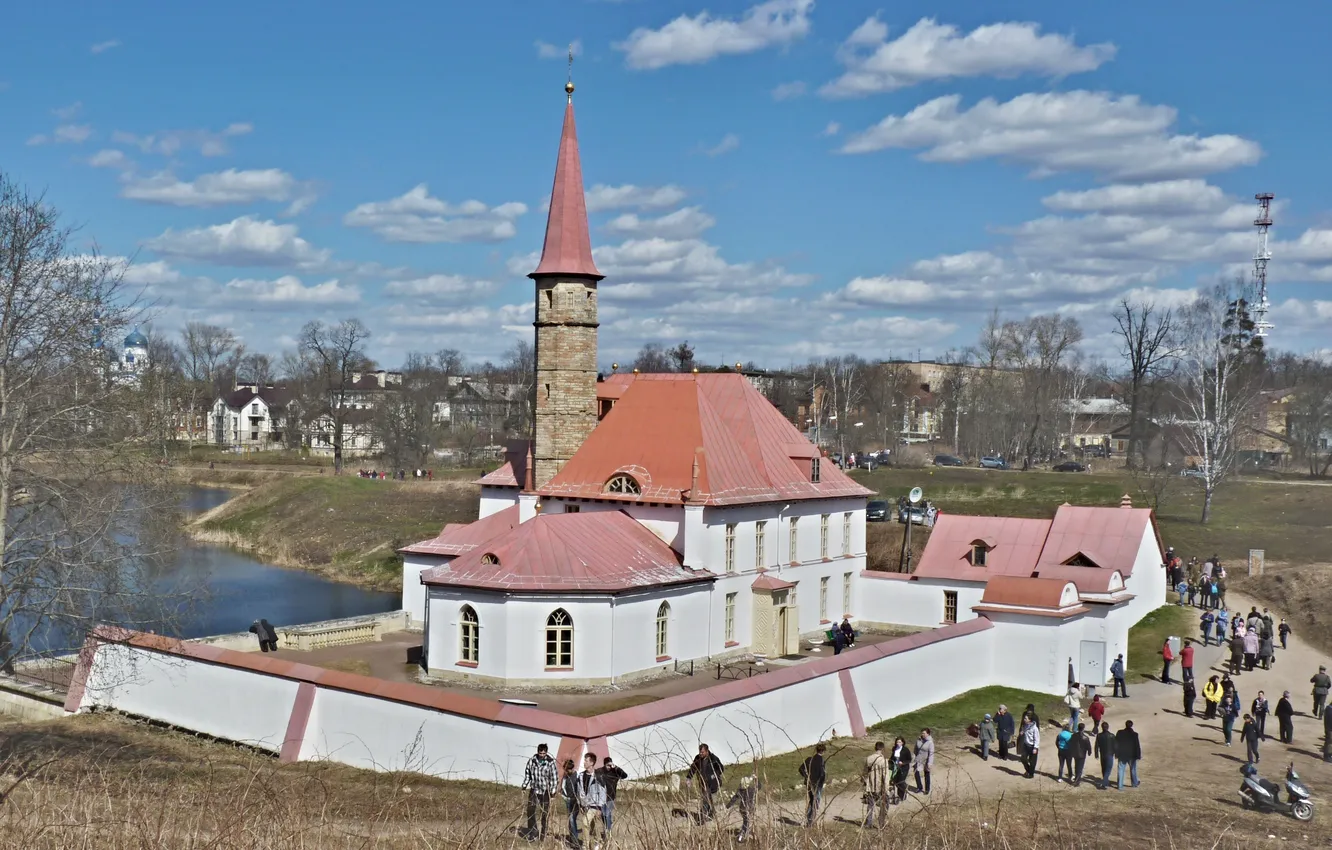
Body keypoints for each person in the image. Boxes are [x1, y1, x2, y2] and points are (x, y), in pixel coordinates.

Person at [520, 743, 558, 842]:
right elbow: (528, 774)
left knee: (545, 813)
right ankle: (533, 832)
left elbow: (554, 779)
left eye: (544, 753)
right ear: (538, 752)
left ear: (546, 752)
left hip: (545, 791)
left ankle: (543, 834)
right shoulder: (532, 761)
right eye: (540, 753)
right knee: (530, 811)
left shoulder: (550, 762)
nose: (542, 755)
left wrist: (553, 793)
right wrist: (524, 786)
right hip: (534, 789)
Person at [575, 753, 607, 847]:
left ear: (592, 763)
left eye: (586, 760)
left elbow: (602, 792)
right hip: (585, 805)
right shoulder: (581, 776)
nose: (584, 762)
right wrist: (580, 805)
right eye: (584, 760)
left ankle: (585, 846)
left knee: (585, 823)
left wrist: (599, 807)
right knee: (592, 826)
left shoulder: (598, 776)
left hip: (594, 805)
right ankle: (599, 842)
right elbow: (579, 791)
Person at [685, 744, 724, 822]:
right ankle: (703, 817)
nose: (701, 754)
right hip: (703, 783)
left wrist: (715, 775)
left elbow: (721, 768)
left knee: (712, 800)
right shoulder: (698, 758)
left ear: (707, 751)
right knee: (705, 799)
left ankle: (711, 814)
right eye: (700, 752)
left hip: (713, 783)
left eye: (702, 752)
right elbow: (693, 768)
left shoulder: (713, 759)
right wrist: (689, 778)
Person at [861, 742, 891, 828]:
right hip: (880, 786)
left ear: (875, 748)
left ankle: (868, 823)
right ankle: (881, 823)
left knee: (870, 805)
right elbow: (885, 776)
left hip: (870, 785)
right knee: (884, 805)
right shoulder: (884, 761)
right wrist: (886, 788)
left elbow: (864, 772)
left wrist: (864, 782)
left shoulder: (869, 758)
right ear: (882, 749)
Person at [597, 756, 628, 835]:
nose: (609, 767)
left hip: (611, 796)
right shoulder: (600, 771)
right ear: (604, 765)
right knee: (604, 814)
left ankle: (608, 831)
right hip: (602, 797)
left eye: (610, 765)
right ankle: (607, 827)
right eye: (607, 765)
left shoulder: (615, 772)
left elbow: (625, 775)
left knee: (607, 813)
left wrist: (616, 767)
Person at [725, 775, 759, 842]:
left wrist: (728, 806)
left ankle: (748, 832)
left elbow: (734, 799)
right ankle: (740, 837)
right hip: (749, 809)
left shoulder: (740, 791)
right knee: (746, 823)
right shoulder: (752, 790)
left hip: (742, 809)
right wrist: (756, 779)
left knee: (746, 821)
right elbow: (759, 786)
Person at [799, 743, 826, 827]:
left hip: (809, 784)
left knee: (811, 801)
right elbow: (822, 774)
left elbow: (801, 769)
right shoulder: (821, 761)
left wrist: (806, 777)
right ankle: (810, 821)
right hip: (817, 785)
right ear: (823, 751)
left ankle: (808, 819)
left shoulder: (809, 759)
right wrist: (821, 783)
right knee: (815, 802)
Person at [559, 759, 580, 847]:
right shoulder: (565, 776)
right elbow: (562, 787)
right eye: (566, 770)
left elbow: (580, 788)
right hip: (568, 800)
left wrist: (579, 800)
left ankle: (575, 842)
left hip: (575, 801)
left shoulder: (577, 775)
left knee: (572, 819)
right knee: (571, 821)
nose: (567, 771)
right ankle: (572, 838)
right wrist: (563, 796)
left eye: (568, 770)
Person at [1115, 720, 1141, 789]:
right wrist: (1138, 755)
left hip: (1122, 754)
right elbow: (1137, 745)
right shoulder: (1135, 734)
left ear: (1125, 725)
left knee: (1121, 770)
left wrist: (1116, 753)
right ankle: (1134, 783)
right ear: (1132, 725)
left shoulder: (1120, 733)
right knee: (1133, 769)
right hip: (1132, 755)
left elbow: (1116, 744)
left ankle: (1120, 786)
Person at [889, 737, 912, 804]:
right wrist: (889, 762)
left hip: (903, 768)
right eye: (897, 742)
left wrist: (903, 763)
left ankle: (903, 795)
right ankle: (899, 795)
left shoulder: (905, 750)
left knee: (900, 782)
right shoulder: (894, 749)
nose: (898, 743)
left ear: (902, 743)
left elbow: (909, 759)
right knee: (895, 782)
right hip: (895, 768)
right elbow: (892, 757)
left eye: (899, 742)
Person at [1095, 721, 1116, 790]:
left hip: (1102, 754)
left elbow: (1096, 745)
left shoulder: (1099, 735)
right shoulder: (1112, 735)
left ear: (1102, 728)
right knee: (1108, 769)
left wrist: (1096, 754)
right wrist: (1116, 754)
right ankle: (1104, 782)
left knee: (1104, 769)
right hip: (1110, 754)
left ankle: (1105, 782)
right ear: (1108, 727)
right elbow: (1115, 746)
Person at [913, 728, 935, 795]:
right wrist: (915, 757)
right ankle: (919, 787)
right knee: (916, 773)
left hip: (926, 760)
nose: (922, 734)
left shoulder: (930, 743)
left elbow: (931, 753)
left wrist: (929, 763)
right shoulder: (919, 740)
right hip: (918, 759)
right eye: (922, 733)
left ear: (928, 734)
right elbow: (915, 749)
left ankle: (927, 789)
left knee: (926, 774)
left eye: (924, 733)